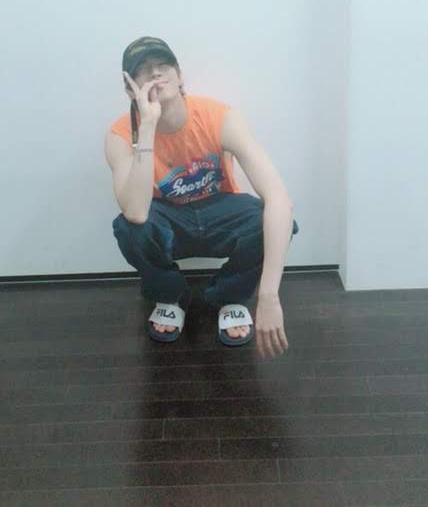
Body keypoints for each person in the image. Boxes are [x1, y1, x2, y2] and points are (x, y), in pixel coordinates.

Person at [104, 36, 299, 358]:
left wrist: (269, 297)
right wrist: (148, 126)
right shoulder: (121, 135)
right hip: (167, 217)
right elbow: (136, 212)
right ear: (129, 88)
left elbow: (279, 199)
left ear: (179, 74)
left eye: (163, 65)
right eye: (143, 69)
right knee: (129, 228)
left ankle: (229, 296)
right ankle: (170, 295)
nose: (155, 73)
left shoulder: (219, 117)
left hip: (219, 210)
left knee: (273, 221)